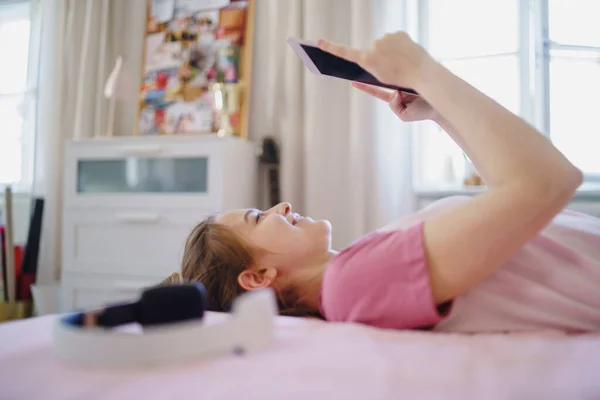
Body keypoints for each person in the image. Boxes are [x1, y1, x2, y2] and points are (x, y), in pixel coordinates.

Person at [163, 32, 600, 333]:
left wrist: (436, 109)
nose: (281, 207)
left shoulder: (357, 269)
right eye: (258, 217)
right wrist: (423, 70)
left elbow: (517, 207)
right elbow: (545, 182)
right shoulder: (351, 285)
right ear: (258, 276)